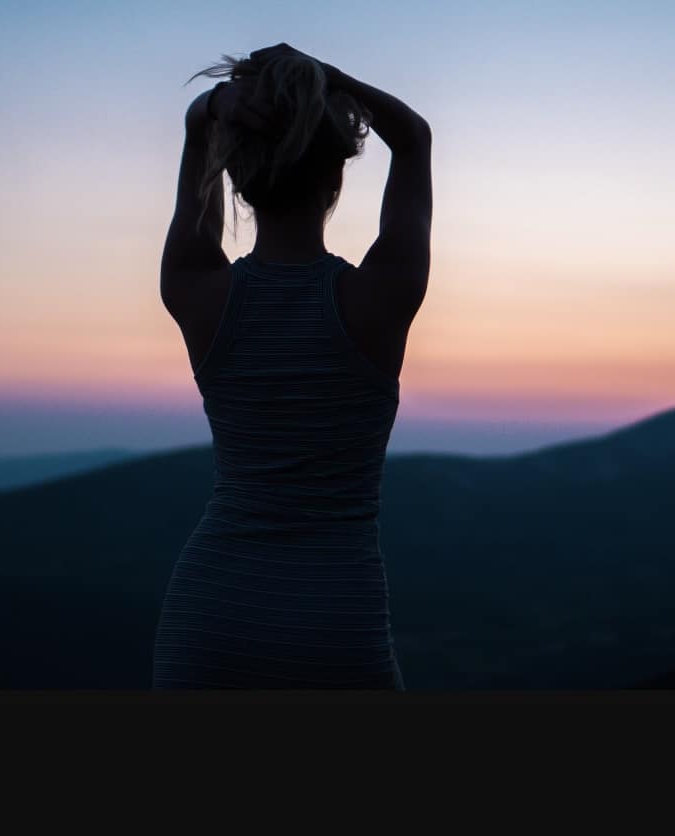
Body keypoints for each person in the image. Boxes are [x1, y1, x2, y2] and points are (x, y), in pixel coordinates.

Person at [152, 43, 432, 689]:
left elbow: (198, 136)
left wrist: (215, 112)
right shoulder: (378, 297)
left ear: (234, 177)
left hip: (211, 608)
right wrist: (331, 80)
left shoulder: (198, 290)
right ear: (336, 176)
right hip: (335, 614)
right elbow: (412, 139)